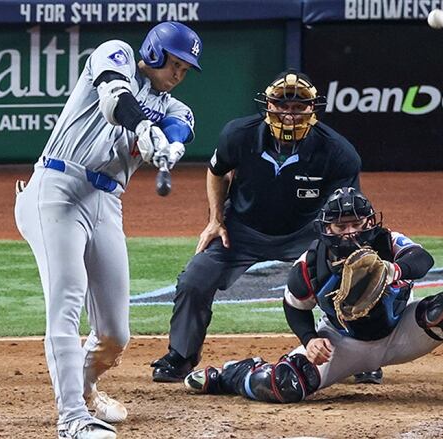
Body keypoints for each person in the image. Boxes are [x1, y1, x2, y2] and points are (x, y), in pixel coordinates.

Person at [183, 187, 443, 406]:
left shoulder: (388, 241)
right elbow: (294, 305)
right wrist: (309, 339)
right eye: (341, 224)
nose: (350, 231)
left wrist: (395, 270)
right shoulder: (310, 262)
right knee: (283, 385)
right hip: (342, 345)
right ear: (327, 226)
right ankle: (231, 373)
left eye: (357, 223)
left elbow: (423, 258)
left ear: (370, 222)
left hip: (402, 333)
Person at [14, 22, 202, 439]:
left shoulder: (173, 106)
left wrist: (167, 147)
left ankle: (84, 390)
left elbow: (180, 127)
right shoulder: (114, 53)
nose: (178, 73)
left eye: (186, 69)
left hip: (106, 203)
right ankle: (71, 419)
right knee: (66, 304)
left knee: (115, 332)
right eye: (175, 63)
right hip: (58, 190)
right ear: (153, 53)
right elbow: (115, 101)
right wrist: (141, 127)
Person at [150, 71, 364, 383]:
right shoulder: (239, 134)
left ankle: (360, 355)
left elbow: (348, 206)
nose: (289, 114)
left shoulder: (337, 151)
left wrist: (340, 248)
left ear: (312, 109)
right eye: (281, 105)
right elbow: (216, 171)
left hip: (307, 233)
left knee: (352, 276)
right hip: (242, 229)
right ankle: (181, 356)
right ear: (268, 106)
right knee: (195, 279)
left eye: (298, 106)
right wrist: (215, 221)